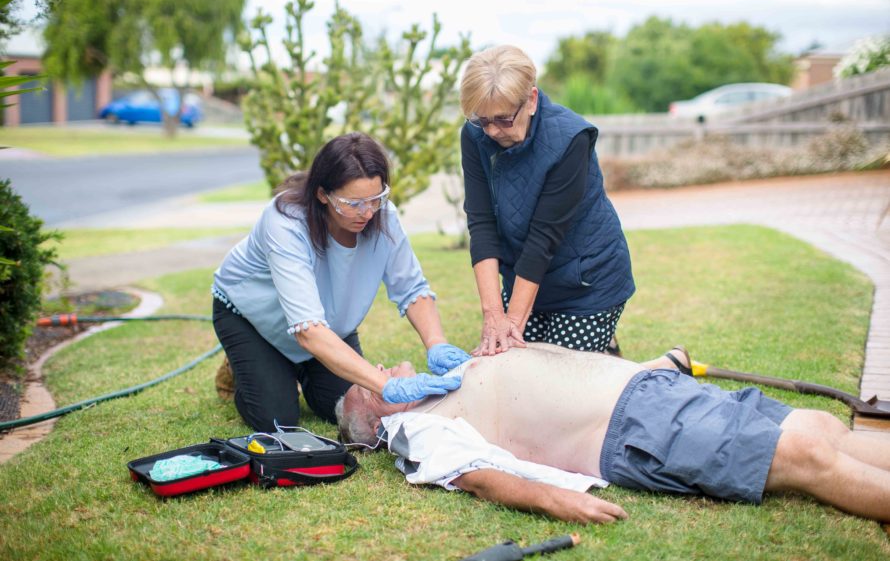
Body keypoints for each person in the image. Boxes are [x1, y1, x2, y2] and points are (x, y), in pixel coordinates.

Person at [336, 343, 890, 524]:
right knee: (808, 452)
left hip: (649, 392)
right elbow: (474, 476)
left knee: (822, 426)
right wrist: (556, 500)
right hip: (631, 430)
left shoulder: (447, 378)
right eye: (369, 381)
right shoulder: (417, 428)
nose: (382, 366)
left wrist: (650, 367)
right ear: (375, 421)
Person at [211, 133, 469, 431]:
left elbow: (411, 289)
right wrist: (385, 384)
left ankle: (298, 368)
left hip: (327, 326)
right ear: (323, 194)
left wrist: (436, 344)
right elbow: (308, 330)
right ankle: (248, 364)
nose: (368, 212)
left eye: (376, 198)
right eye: (354, 203)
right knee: (277, 418)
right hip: (254, 320)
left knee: (344, 405)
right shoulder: (285, 221)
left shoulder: (383, 217)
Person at [458, 45, 634, 358]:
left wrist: (512, 322)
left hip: (586, 282)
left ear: (531, 100)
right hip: (525, 280)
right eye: (483, 120)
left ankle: (657, 362)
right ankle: (603, 354)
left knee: (557, 387)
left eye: (503, 119)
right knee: (511, 369)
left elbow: (543, 238)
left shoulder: (570, 139)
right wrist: (494, 317)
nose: (493, 131)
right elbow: (481, 222)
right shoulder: (474, 135)